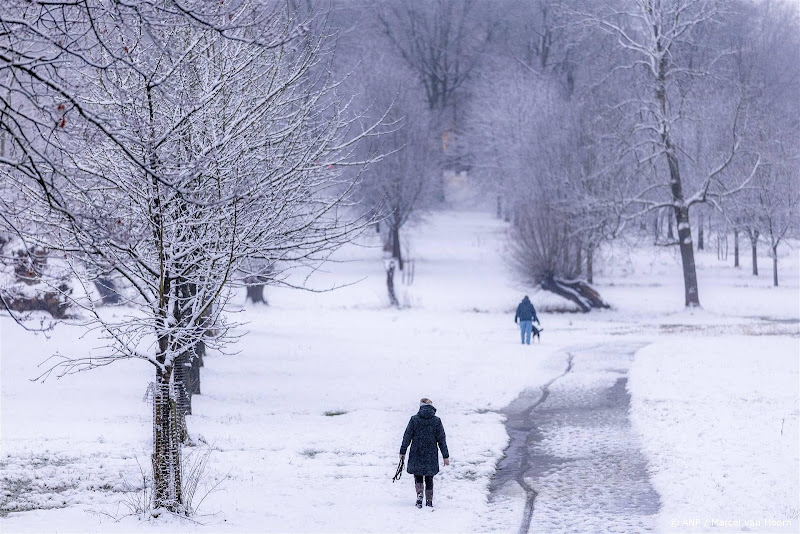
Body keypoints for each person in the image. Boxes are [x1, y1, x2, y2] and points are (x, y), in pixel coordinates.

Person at [399, 398, 450, 509]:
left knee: (418, 474)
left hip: (417, 451)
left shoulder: (414, 419)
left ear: (421, 407)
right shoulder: (436, 421)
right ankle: (429, 500)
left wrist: (402, 451)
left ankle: (420, 494)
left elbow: (407, 436)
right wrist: (445, 456)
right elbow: (441, 439)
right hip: (431, 452)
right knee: (429, 477)